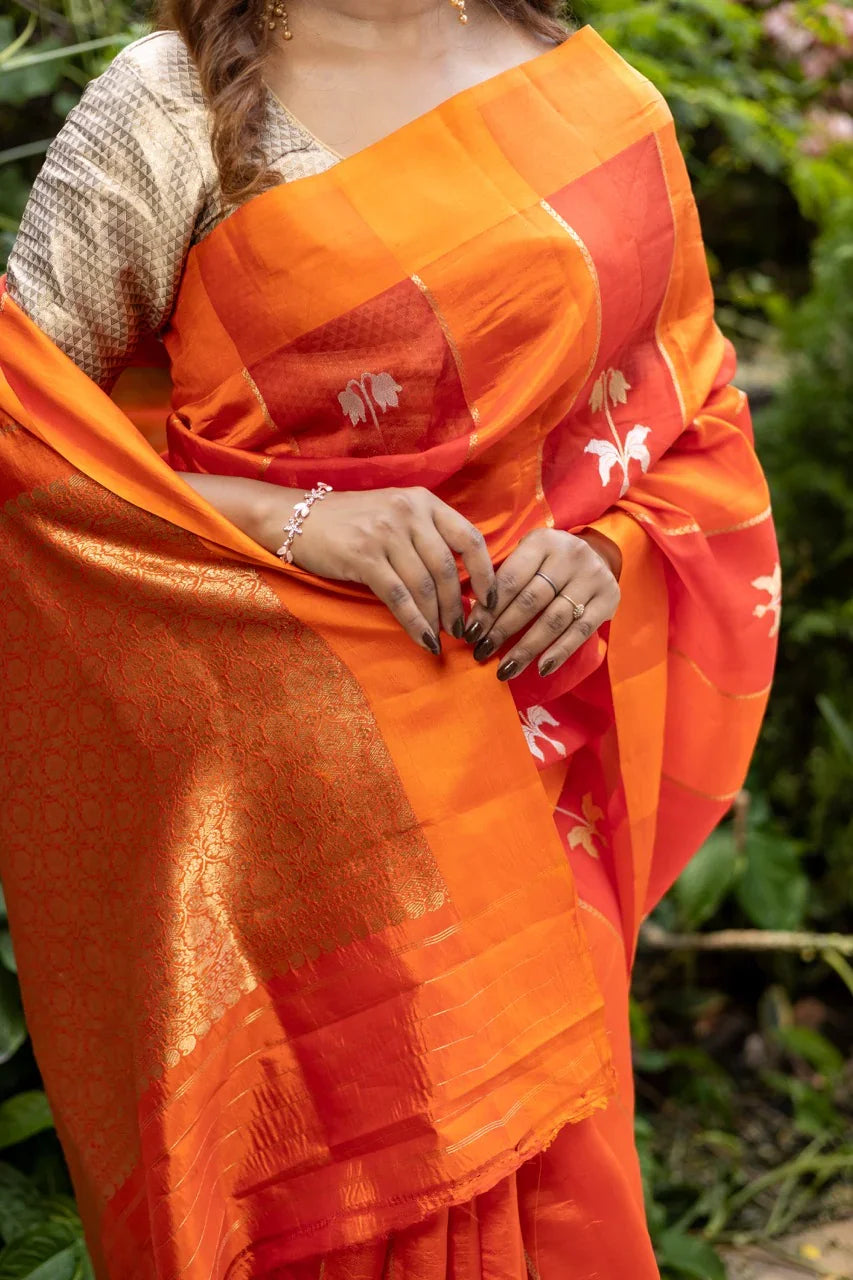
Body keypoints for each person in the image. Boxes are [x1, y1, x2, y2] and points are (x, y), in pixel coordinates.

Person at [0, 0, 780, 1275]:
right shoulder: (173, 107)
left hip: (522, 764)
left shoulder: (587, 97)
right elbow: (23, 434)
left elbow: (689, 414)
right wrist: (294, 517)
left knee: (544, 1182)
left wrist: (608, 551)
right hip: (290, 807)